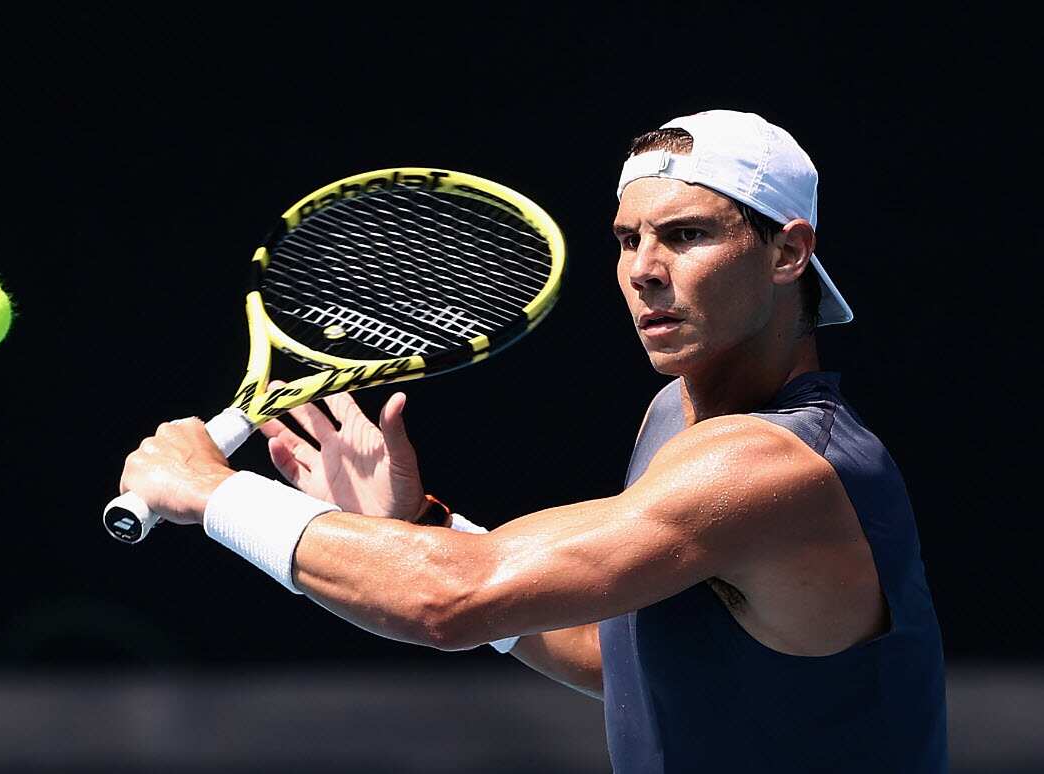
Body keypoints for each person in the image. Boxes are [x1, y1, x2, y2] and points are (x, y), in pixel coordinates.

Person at [117, 110, 947, 772]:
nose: (643, 270)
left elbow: (449, 603)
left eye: (687, 234)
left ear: (787, 253)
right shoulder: (674, 414)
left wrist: (213, 491)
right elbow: (621, 662)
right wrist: (426, 527)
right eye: (627, 240)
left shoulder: (775, 468)